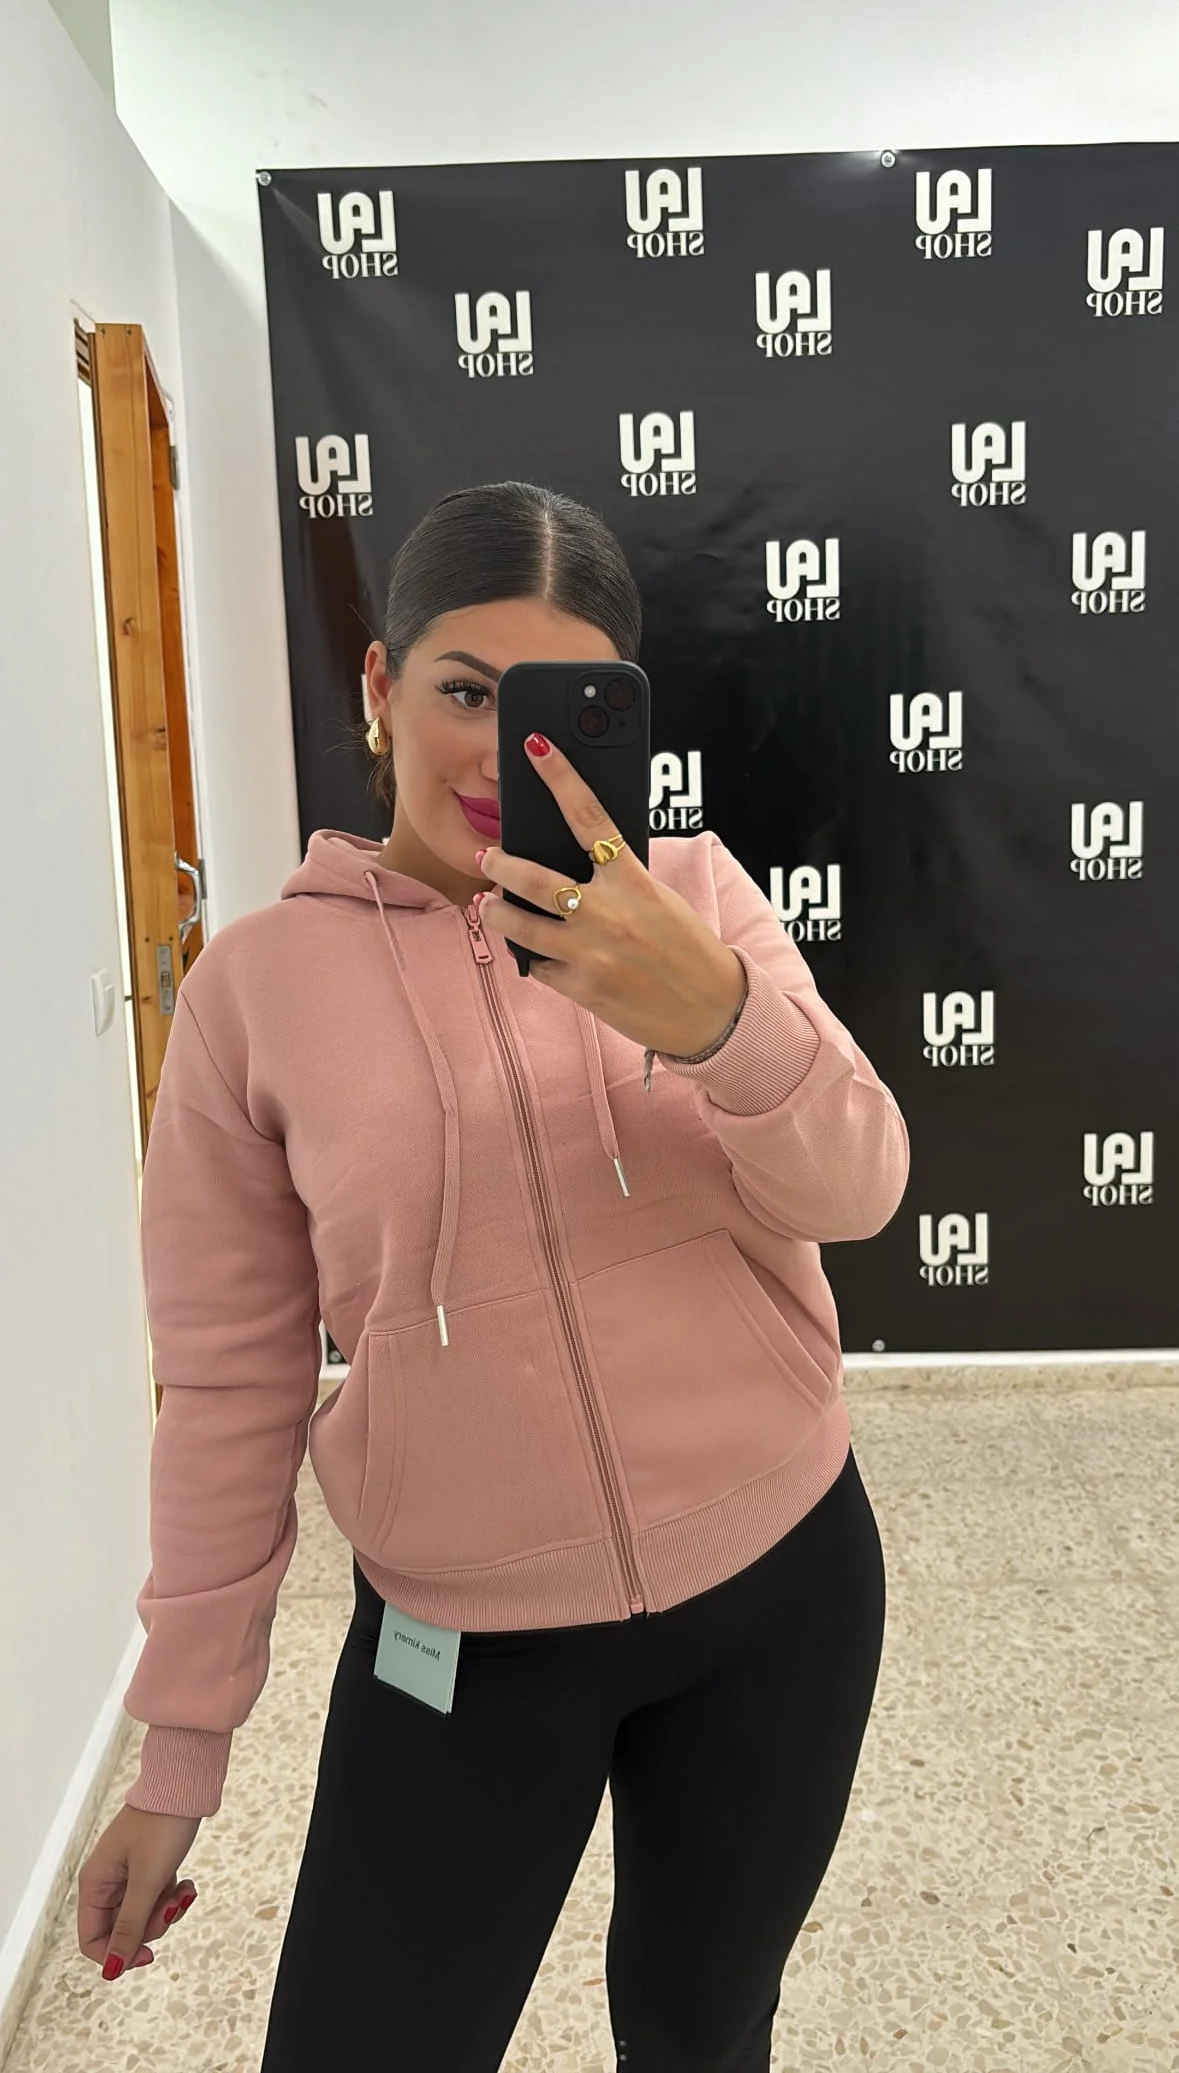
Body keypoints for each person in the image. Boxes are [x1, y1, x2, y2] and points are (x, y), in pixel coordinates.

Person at [76, 481, 909, 2072]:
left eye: (558, 711)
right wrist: (181, 1747)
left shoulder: (694, 904)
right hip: (460, 1644)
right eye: (464, 690)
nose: (497, 757)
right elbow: (233, 1384)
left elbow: (858, 1189)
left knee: (701, 2033)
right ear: (380, 686)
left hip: (780, 1591)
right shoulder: (256, 993)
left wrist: (719, 1020)